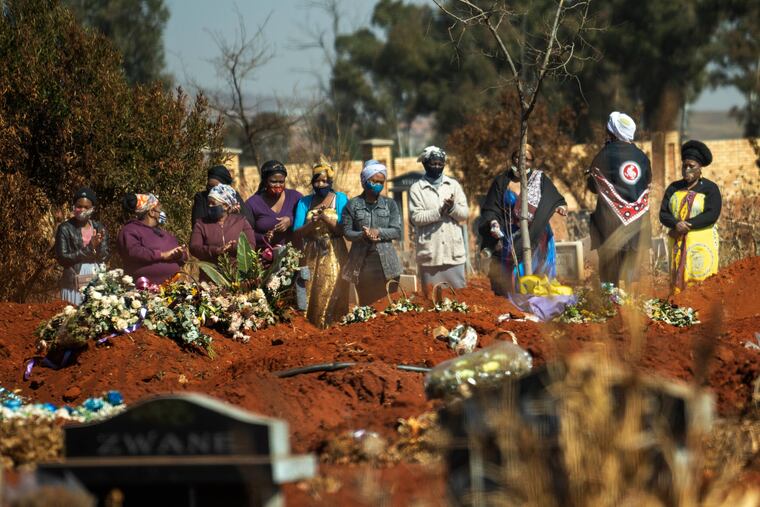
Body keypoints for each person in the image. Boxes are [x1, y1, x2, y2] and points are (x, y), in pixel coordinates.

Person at [480, 145, 567, 294]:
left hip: (538, 235)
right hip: (511, 237)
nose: (521, 162)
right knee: (513, 276)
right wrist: (493, 222)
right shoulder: (501, 181)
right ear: (512, 159)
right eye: (517, 158)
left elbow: (555, 199)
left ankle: (536, 304)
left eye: (526, 159)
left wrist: (559, 207)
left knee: (537, 276)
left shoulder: (540, 180)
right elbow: (491, 208)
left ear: (532, 162)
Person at [586, 111, 652, 287]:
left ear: (612, 132)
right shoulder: (642, 157)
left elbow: (593, 187)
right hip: (637, 228)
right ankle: (633, 310)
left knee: (609, 279)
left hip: (610, 229)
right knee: (633, 278)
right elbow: (647, 182)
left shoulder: (603, 156)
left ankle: (611, 309)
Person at [659, 140, 721, 293]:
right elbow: (663, 214)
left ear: (700, 168)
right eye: (684, 166)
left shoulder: (710, 188)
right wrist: (675, 224)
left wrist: (685, 225)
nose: (687, 170)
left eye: (691, 166)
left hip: (701, 243)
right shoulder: (673, 187)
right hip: (677, 243)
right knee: (679, 287)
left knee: (701, 284)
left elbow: (712, 214)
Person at [293, 162, 350, 327]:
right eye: (316, 181)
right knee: (310, 291)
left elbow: (342, 230)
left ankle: (333, 328)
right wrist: (312, 224)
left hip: (334, 251)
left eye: (324, 181)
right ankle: (312, 330)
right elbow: (297, 232)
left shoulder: (340, 199)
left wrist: (325, 218)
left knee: (332, 289)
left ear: (331, 182)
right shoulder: (305, 202)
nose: (320, 185)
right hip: (311, 252)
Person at [341, 160, 403, 305]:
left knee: (389, 306)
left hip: (388, 265)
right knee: (368, 308)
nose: (377, 185)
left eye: (380, 182)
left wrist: (378, 232)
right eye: (373, 181)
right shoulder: (352, 205)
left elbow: (396, 231)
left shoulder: (390, 204)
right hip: (362, 265)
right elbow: (347, 232)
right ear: (364, 181)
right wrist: (361, 235)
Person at [409, 146, 469, 293]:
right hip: (430, 255)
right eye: (433, 164)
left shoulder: (453, 185)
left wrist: (452, 208)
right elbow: (416, 217)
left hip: (453, 254)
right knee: (432, 298)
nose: (437, 167)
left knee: (458, 297)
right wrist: (439, 212)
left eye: (440, 164)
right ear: (424, 164)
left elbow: (465, 214)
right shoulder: (417, 188)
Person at [55, 187, 109, 305]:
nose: (82, 210)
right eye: (79, 206)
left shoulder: (99, 228)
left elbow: (104, 256)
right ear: (74, 207)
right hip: (73, 279)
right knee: (73, 315)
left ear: (92, 209)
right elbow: (63, 258)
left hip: (96, 278)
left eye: (86, 207)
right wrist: (90, 248)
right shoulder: (65, 228)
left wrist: (97, 247)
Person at [117, 193, 187, 284]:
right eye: (159, 209)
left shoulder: (165, 234)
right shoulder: (130, 230)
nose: (162, 213)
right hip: (146, 289)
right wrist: (162, 255)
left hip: (173, 287)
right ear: (152, 212)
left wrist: (180, 254)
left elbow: (182, 256)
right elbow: (134, 252)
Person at [190, 183, 256, 277]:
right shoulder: (201, 224)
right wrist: (216, 250)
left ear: (225, 205)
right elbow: (194, 247)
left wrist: (234, 247)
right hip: (211, 278)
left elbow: (251, 247)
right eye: (208, 202)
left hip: (238, 277)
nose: (209, 206)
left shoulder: (241, 222)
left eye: (213, 203)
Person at [244, 160, 302, 249]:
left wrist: (291, 221)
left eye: (281, 181)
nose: (278, 185)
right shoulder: (252, 203)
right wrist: (263, 237)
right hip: (263, 258)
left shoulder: (295, 197)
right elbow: (245, 233)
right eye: (273, 182)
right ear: (265, 181)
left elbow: (308, 220)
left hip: (294, 257)